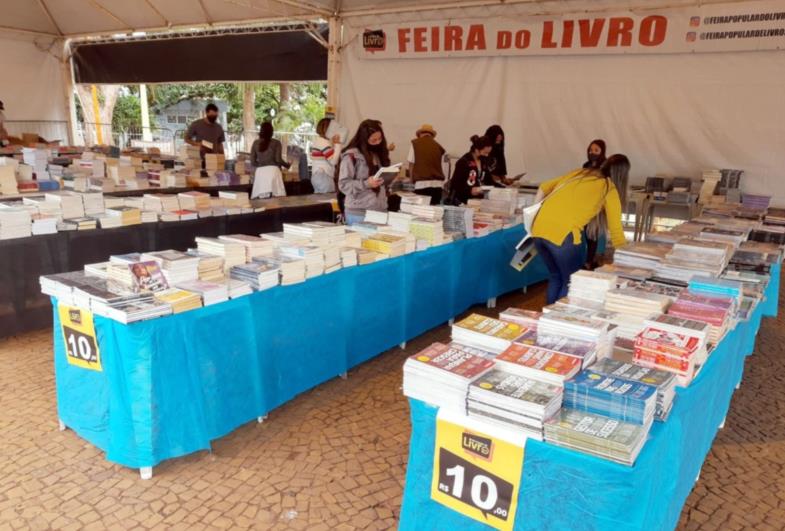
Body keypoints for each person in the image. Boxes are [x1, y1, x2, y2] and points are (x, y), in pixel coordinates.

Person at [531, 155, 629, 304]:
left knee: (556, 277)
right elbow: (616, 231)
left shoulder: (579, 174)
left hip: (538, 230)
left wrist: (533, 217)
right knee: (570, 282)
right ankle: (558, 321)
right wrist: (627, 263)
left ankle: (549, 319)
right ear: (622, 176)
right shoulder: (609, 187)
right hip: (563, 235)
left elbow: (544, 186)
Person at [338, 119, 391, 225]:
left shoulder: (378, 154)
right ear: (364, 139)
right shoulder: (351, 156)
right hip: (359, 213)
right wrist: (367, 183)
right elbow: (343, 185)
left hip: (380, 210)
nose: (377, 142)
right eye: (373, 140)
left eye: (380, 139)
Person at [581, 139, 608, 269]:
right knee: (586, 233)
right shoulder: (586, 165)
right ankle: (587, 259)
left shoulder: (605, 167)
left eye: (596, 150)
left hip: (597, 205)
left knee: (593, 234)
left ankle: (590, 261)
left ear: (602, 151)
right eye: (590, 150)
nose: (592, 152)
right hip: (585, 203)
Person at [446, 135, 493, 205]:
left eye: (488, 153)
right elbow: (455, 184)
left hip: (477, 201)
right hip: (462, 201)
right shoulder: (463, 162)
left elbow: (489, 180)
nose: (487, 155)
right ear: (476, 150)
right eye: (485, 152)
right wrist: (470, 190)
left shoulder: (483, 162)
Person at [407, 124, 446, 205]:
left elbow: (411, 164)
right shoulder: (438, 146)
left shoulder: (415, 143)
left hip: (422, 185)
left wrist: (411, 183)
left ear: (420, 134)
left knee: (420, 212)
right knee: (434, 213)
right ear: (431, 135)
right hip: (438, 186)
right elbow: (442, 167)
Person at [310, 118, 341, 193]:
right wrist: (338, 144)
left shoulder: (319, 141)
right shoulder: (323, 142)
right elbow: (333, 161)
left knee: (320, 202)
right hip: (324, 176)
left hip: (318, 175)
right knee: (329, 201)